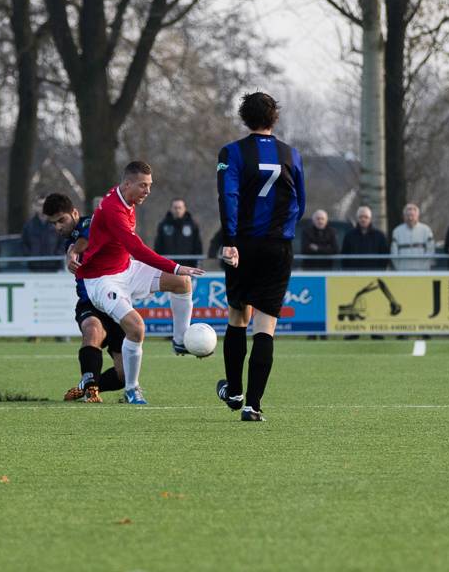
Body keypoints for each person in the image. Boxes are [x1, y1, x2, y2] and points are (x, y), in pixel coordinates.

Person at [74, 161, 205, 405]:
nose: (148, 191)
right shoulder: (113, 209)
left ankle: (179, 341)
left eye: (150, 185)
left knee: (182, 282)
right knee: (136, 328)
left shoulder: (127, 198)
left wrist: (177, 272)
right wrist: (175, 266)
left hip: (126, 269)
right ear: (127, 184)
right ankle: (132, 389)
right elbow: (137, 249)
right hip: (103, 281)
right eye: (143, 185)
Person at [216, 91, 305, 422]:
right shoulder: (291, 154)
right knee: (266, 325)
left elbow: (228, 195)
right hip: (278, 246)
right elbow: (301, 202)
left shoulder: (232, 152)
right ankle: (253, 406)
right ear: (274, 117)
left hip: (243, 244)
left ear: (244, 117)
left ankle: (234, 392)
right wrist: (282, 230)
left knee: (238, 316)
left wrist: (230, 240)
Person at [43, 193, 126, 403]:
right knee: (92, 330)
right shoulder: (69, 241)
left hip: (114, 302)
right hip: (89, 303)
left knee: (124, 374)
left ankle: (86, 386)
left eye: (61, 220)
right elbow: (79, 241)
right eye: (53, 223)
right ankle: (91, 390)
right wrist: (71, 250)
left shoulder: (91, 224)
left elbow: (87, 238)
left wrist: (72, 252)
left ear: (74, 213)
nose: (58, 227)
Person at [153, 198, 204, 265]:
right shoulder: (164, 225)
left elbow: (197, 245)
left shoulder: (192, 225)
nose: (177, 210)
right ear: (171, 209)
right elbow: (158, 245)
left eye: (180, 208)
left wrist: (197, 261)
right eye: (175, 208)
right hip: (168, 265)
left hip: (188, 265)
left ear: (184, 209)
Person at [341, 206, 389, 270]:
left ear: (370, 219)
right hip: (354, 273)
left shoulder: (380, 236)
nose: (363, 219)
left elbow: (385, 256)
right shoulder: (349, 235)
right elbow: (344, 255)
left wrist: (380, 270)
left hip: (374, 272)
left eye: (366, 217)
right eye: (360, 217)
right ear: (357, 218)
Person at [21, 197, 62, 271]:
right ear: (35, 207)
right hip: (34, 268)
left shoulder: (57, 225)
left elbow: (63, 243)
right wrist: (29, 256)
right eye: (40, 205)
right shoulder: (28, 226)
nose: (43, 207)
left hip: (53, 267)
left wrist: (57, 256)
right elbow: (23, 244)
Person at [390, 204, 435, 271]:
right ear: (404, 217)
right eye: (407, 215)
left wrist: (425, 267)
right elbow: (394, 252)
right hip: (403, 270)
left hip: (422, 270)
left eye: (412, 215)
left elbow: (430, 250)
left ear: (417, 216)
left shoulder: (426, 230)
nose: (410, 218)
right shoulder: (397, 231)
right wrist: (399, 267)